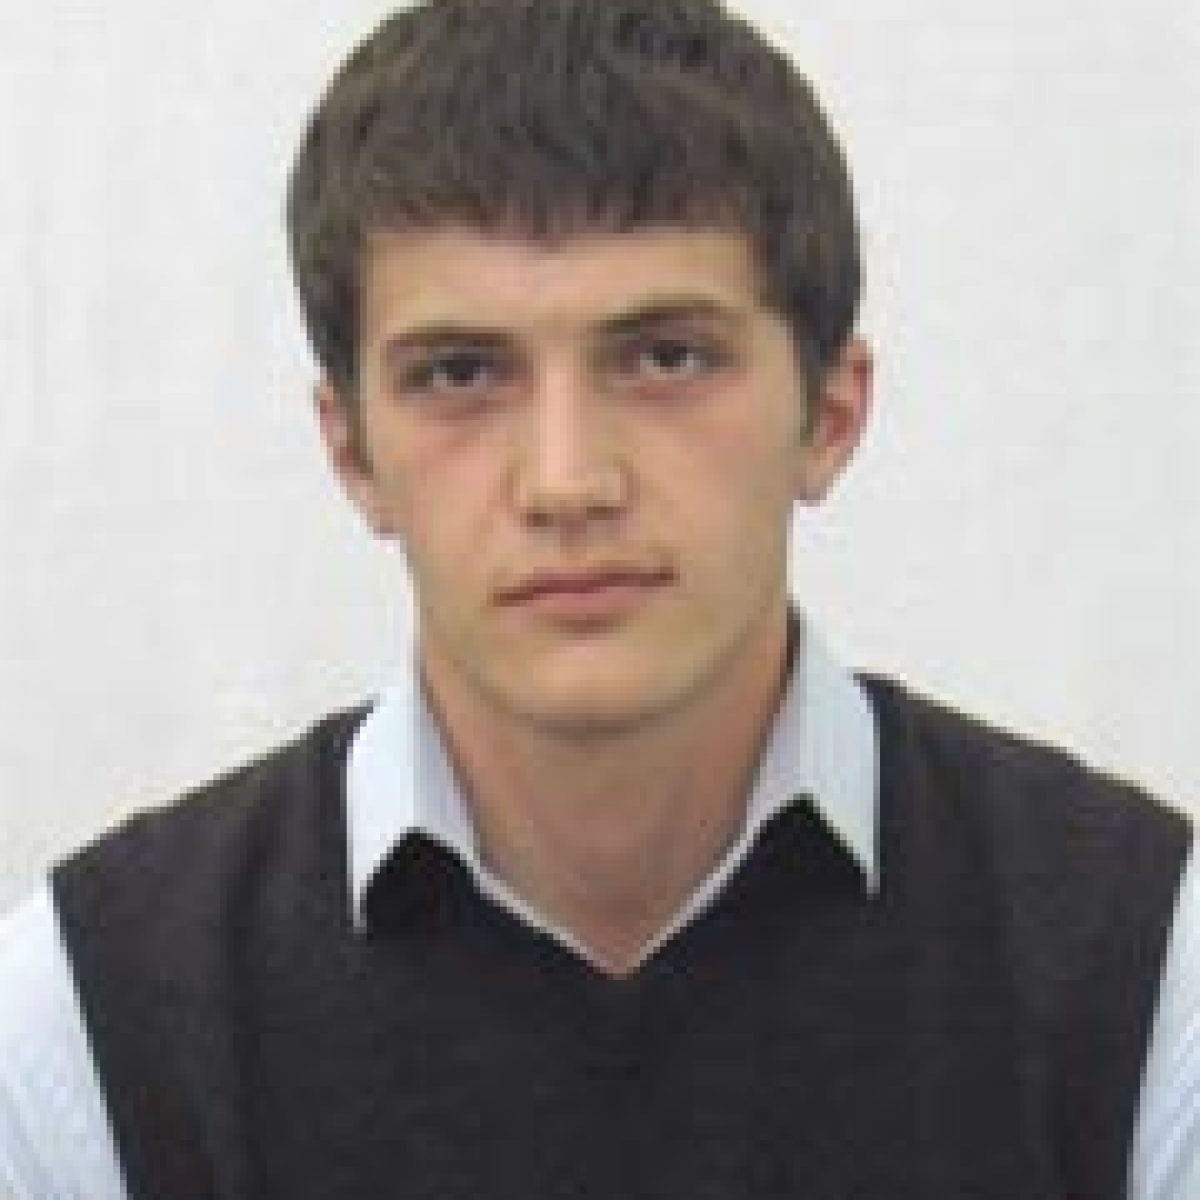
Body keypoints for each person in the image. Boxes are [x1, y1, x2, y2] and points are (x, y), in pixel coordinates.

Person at [1, 0, 1196, 1196]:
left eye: (666, 357)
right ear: (353, 451)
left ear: (830, 415)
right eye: (460, 374)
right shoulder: (87, 1028)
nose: (567, 481)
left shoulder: (1147, 971)